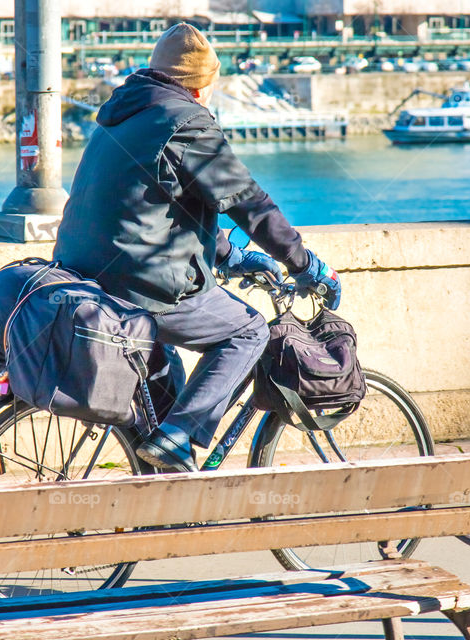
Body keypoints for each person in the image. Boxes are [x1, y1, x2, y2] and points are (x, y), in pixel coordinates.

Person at [53, 23, 341, 472]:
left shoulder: (125, 113)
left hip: (84, 273)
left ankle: (161, 472)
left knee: (167, 374)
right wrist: (303, 262)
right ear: (203, 83)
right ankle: (180, 436)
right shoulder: (185, 121)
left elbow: (167, 208)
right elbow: (249, 202)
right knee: (247, 331)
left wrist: (230, 256)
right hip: (139, 283)